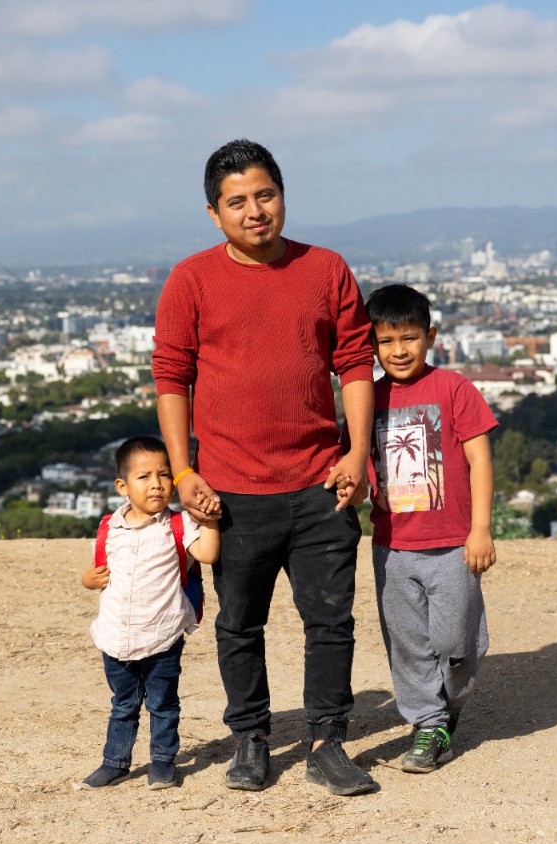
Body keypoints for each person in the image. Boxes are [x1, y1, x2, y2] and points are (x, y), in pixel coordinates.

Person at [152, 139, 377, 796]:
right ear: (214, 213)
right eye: (238, 202)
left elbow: (354, 363)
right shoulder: (190, 279)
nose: (255, 211)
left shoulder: (326, 268)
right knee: (237, 622)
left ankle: (327, 740)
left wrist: (357, 451)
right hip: (230, 491)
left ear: (282, 194)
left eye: (265, 195)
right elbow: (172, 377)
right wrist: (183, 470)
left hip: (318, 484)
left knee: (331, 619)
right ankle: (249, 737)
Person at [363, 283, 497, 773]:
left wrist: (480, 528)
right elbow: (360, 461)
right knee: (407, 640)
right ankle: (428, 722)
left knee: (455, 643)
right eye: (386, 341)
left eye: (409, 338)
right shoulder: (368, 398)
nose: (398, 351)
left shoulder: (455, 389)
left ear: (431, 336)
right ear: (371, 345)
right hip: (393, 545)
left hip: (453, 545)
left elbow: (480, 460)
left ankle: (449, 703)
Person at [79, 435, 219, 790]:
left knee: (163, 704)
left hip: (162, 634)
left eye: (165, 475)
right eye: (144, 477)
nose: (156, 484)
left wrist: (211, 521)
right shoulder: (109, 526)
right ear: (122, 485)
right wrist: (87, 580)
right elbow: (97, 573)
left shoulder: (178, 524)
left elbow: (207, 555)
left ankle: (162, 762)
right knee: (123, 704)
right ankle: (115, 761)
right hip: (116, 636)